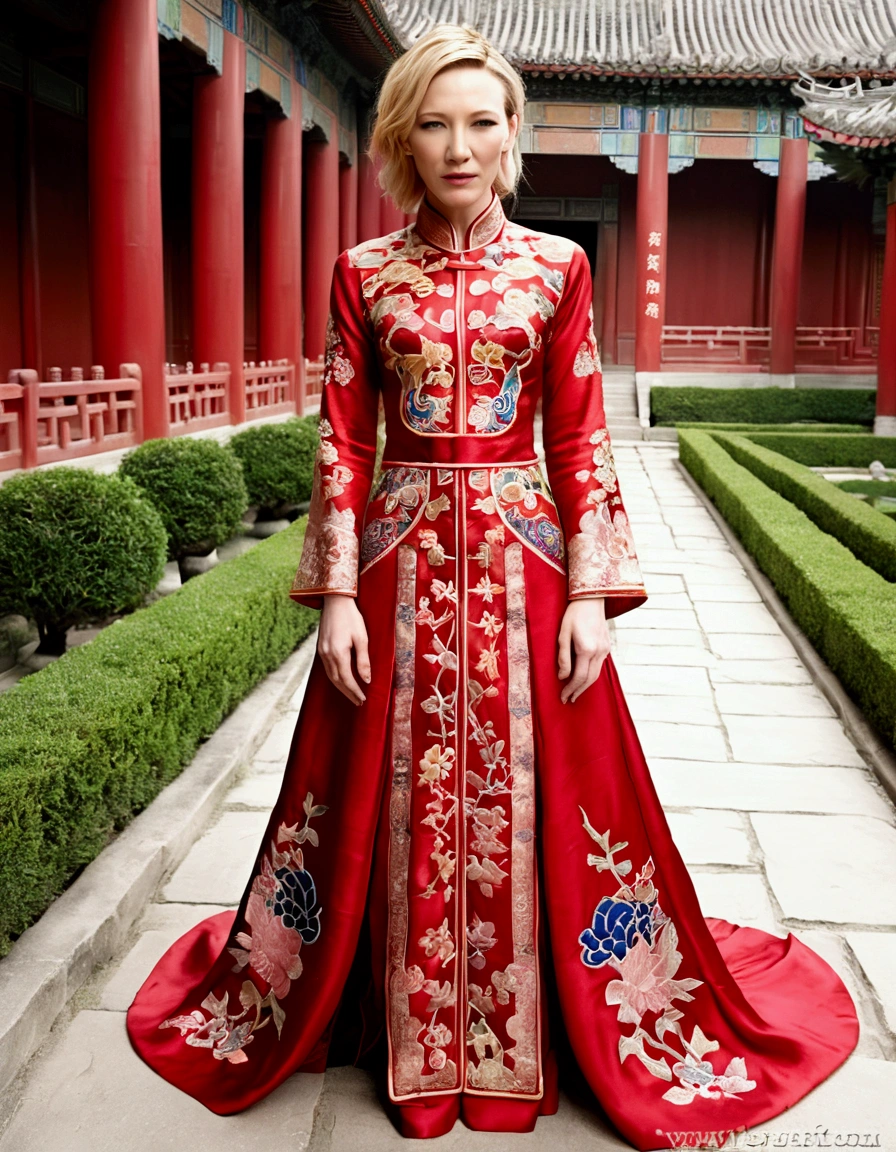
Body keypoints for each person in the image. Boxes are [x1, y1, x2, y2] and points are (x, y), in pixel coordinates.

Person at [126, 23, 860, 1148]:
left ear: (510, 134)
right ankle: (385, 1014)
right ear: (400, 137)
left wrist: (587, 594)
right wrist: (330, 597)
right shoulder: (361, 275)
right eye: (433, 121)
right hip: (394, 562)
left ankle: (546, 1022)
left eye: (480, 122)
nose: (458, 146)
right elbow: (337, 437)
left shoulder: (557, 268)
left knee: (563, 794)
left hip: (524, 558)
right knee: (364, 787)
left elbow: (578, 438)